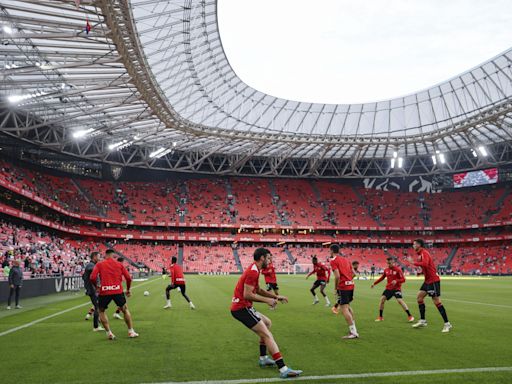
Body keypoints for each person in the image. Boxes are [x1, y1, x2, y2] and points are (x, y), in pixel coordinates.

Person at [230, 247, 302, 378]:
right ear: (262, 258)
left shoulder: (255, 269)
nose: (270, 261)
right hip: (241, 308)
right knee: (267, 335)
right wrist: (267, 301)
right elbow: (247, 294)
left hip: (243, 307)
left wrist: (275, 297)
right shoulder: (253, 271)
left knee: (267, 323)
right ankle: (283, 369)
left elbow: (257, 290)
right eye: (268, 258)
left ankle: (263, 358)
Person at [90, 249, 138, 340]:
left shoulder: (99, 264)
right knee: (125, 309)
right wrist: (128, 290)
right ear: (113, 255)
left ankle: (109, 333)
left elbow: (92, 277)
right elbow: (128, 278)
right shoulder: (119, 264)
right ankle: (131, 331)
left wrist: (97, 286)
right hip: (117, 290)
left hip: (104, 291)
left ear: (105, 255)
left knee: (101, 311)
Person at [407, 239, 452, 333]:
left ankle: (447, 324)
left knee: (436, 301)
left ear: (419, 245)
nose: (413, 246)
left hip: (433, 281)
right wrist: (421, 272)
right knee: (419, 297)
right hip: (427, 281)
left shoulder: (424, 253)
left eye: (414, 244)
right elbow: (426, 267)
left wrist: (413, 263)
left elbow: (426, 264)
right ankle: (423, 320)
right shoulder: (420, 255)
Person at [371, 257, 414, 322]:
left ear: (393, 262)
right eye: (387, 263)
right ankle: (380, 317)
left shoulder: (398, 270)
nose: (388, 264)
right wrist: (374, 283)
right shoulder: (386, 270)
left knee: (400, 301)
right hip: (388, 288)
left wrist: (396, 281)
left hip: (396, 289)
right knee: (382, 300)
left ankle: (410, 316)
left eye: (390, 263)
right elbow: (382, 278)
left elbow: (403, 279)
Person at [330, 244, 358, 339]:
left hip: (343, 287)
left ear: (332, 251)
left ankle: (353, 333)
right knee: (348, 306)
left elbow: (337, 276)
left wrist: (336, 288)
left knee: (344, 309)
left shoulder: (333, 261)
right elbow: (354, 273)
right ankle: (353, 329)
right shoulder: (346, 260)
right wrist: (349, 280)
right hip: (351, 285)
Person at [82, 252, 104, 331]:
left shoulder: (92, 265)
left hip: (93, 289)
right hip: (93, 290)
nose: (100, 258)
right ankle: (96, 327)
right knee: (97, 306)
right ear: (94, 257)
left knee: (98, 305)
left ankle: (98, 321)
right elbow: (91, 272)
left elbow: (83, 276)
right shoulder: (90, 265)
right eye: (99, 256)